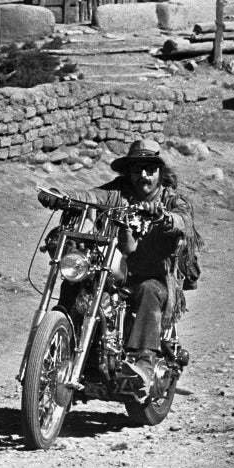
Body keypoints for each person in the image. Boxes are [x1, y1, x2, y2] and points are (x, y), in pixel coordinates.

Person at [37, 137, 197, 390]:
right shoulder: (117, 192)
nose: (143, 175)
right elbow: (89, 196)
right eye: (137, 169)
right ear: (128, 171)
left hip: (151, 275)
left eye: (150, 169)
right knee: (75, 282)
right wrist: (61, 197)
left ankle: (144, 361)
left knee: (149, 290)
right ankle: (62, 341)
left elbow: (183, 220)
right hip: (113, 270)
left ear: (160, 172)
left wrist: (166, 219)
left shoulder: (171, 200)